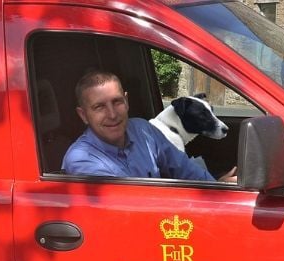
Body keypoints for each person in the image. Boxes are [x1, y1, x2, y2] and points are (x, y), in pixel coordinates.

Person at [61, 69, 237, 182]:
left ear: (127, 101)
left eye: (117, 102)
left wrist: (215, 188)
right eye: (99, 107)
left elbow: (184, 168)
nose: (112, 114)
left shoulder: (142, 130)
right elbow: (127, 209)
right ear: (83, 115)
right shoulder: (81, 160)